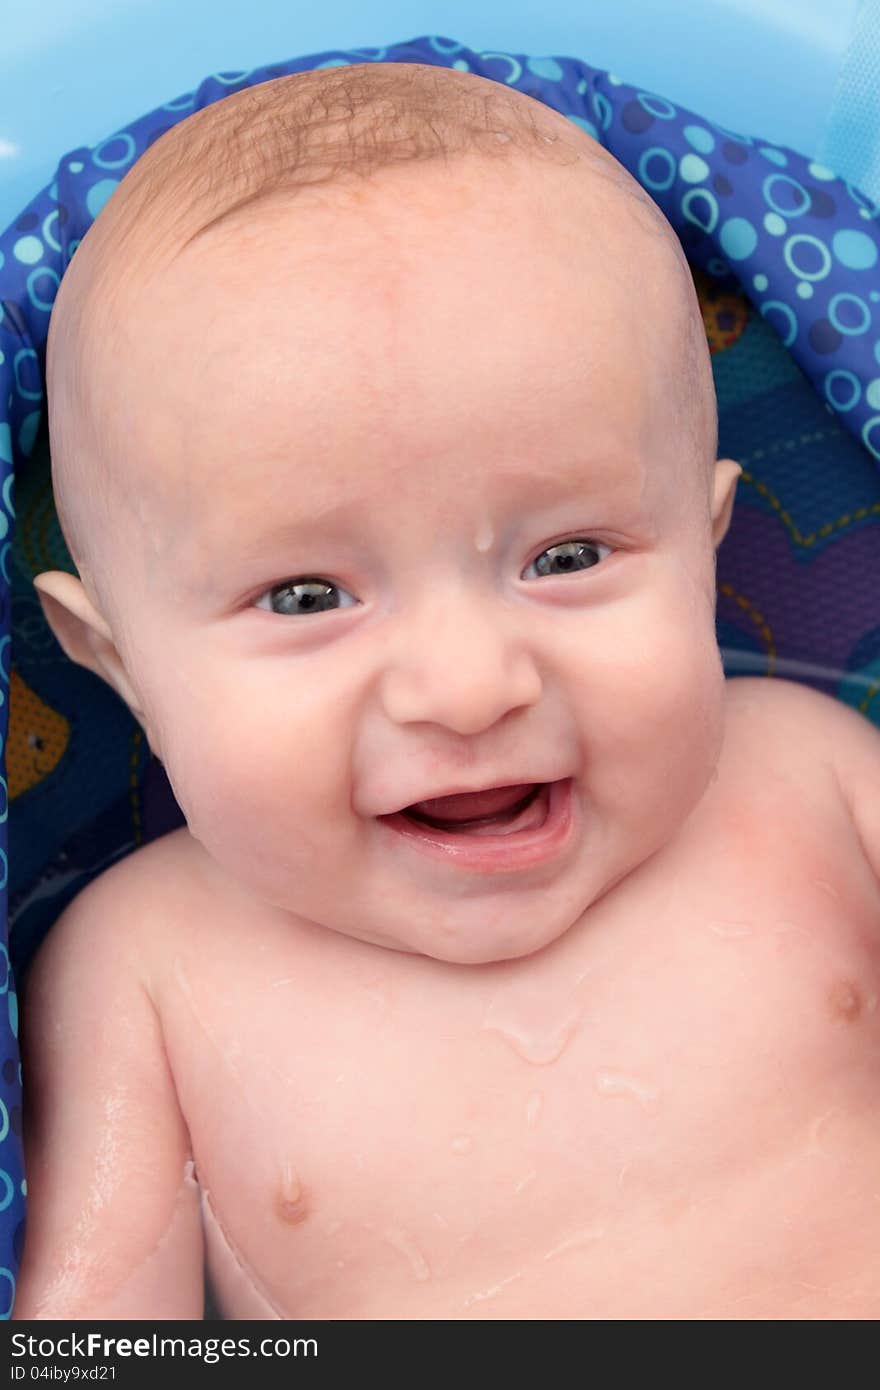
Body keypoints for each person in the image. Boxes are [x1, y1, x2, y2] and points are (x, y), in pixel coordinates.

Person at [13, 62, 880, 1319]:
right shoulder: (142, 970)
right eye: (307, 596)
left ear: (707, 550)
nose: (468, 689)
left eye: (566, 558)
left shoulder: (810, 781)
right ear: (117, 664)